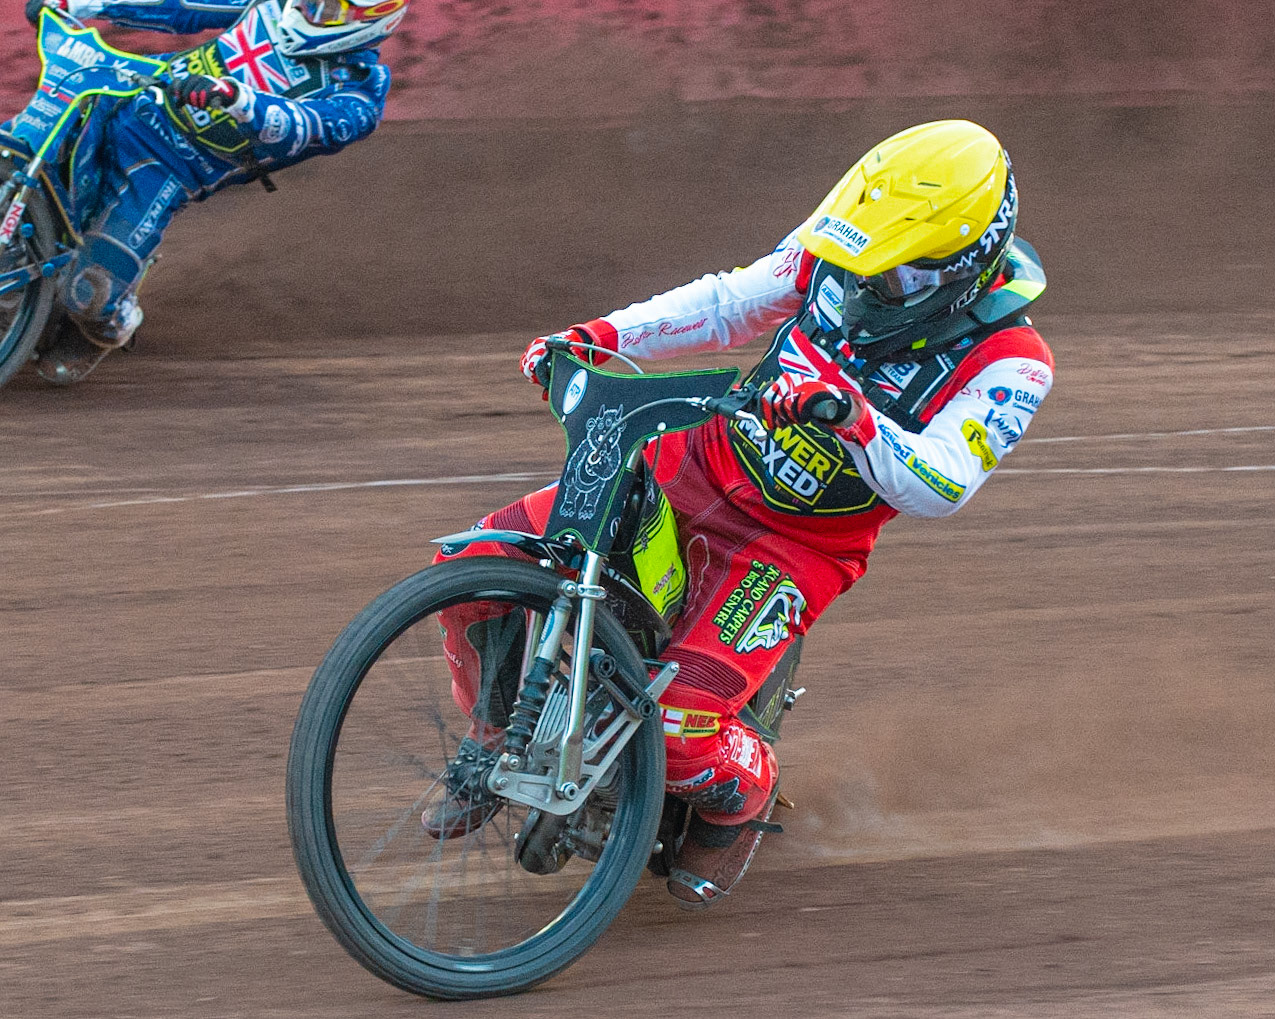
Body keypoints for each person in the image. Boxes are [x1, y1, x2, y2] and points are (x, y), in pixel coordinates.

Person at [431, 119, 1055, 908]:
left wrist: (851, 418)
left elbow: (943, 483)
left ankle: (743, 798)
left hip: (790, 549)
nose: (863, 286)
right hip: (682, 465)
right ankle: (488, 747)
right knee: (468, 570)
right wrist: (597, 336)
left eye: (892, 278)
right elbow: (730, 304)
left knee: (680, 724)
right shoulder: (845, 241)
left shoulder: (1012, 362)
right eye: (858, 263)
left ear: (960, 268)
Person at [0, 0, 413, 383]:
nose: (301, 2)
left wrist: (240, 100)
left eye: (323, 2)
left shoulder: (359, 91)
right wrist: (89, 1)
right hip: (123, 100)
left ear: (371, 15)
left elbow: (300, 127)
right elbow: (188, 4)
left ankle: (109, 328)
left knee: (91, 298)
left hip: (172, 166)